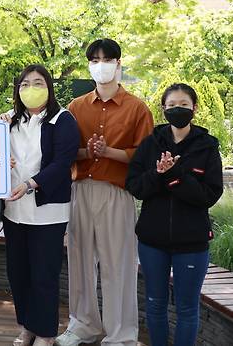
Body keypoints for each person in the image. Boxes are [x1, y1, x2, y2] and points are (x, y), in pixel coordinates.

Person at [56, 39, 154, 346]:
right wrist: (89, 151)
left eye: (107, 59)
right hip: (81, 190)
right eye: (95, 59)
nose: (101, 65)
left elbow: (144, 156)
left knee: (119, 265)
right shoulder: (76, 107)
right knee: (80, 261)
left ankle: (121, 334)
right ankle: (83, 324)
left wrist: (109, 151)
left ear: (119, 63)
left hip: (116, 192)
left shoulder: (137, 108)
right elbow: (65, 152)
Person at [126, 83, 223, 346]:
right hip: (152, 242)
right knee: (155, 304)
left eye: (183, 105)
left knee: (187, 308)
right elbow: (136, 187)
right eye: (171, 106)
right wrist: (157, 174)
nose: (177, 110)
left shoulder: (207, 147)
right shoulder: (150, 144)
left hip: (192, 242)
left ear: (194, 108)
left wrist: (175, 176)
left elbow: (208, 195)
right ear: (163, 109)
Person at [0, 65, 79, 346]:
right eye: (24, 84)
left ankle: (46, 333)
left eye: (37, 83)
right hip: (14, 212)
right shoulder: (9, 121)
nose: (30, 89)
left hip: (47, 213)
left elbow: (62, 163)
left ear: (49, 87)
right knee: (18, 274)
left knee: (44, 275)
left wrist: (32, 183)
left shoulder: (62, 119)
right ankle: (28, 327)